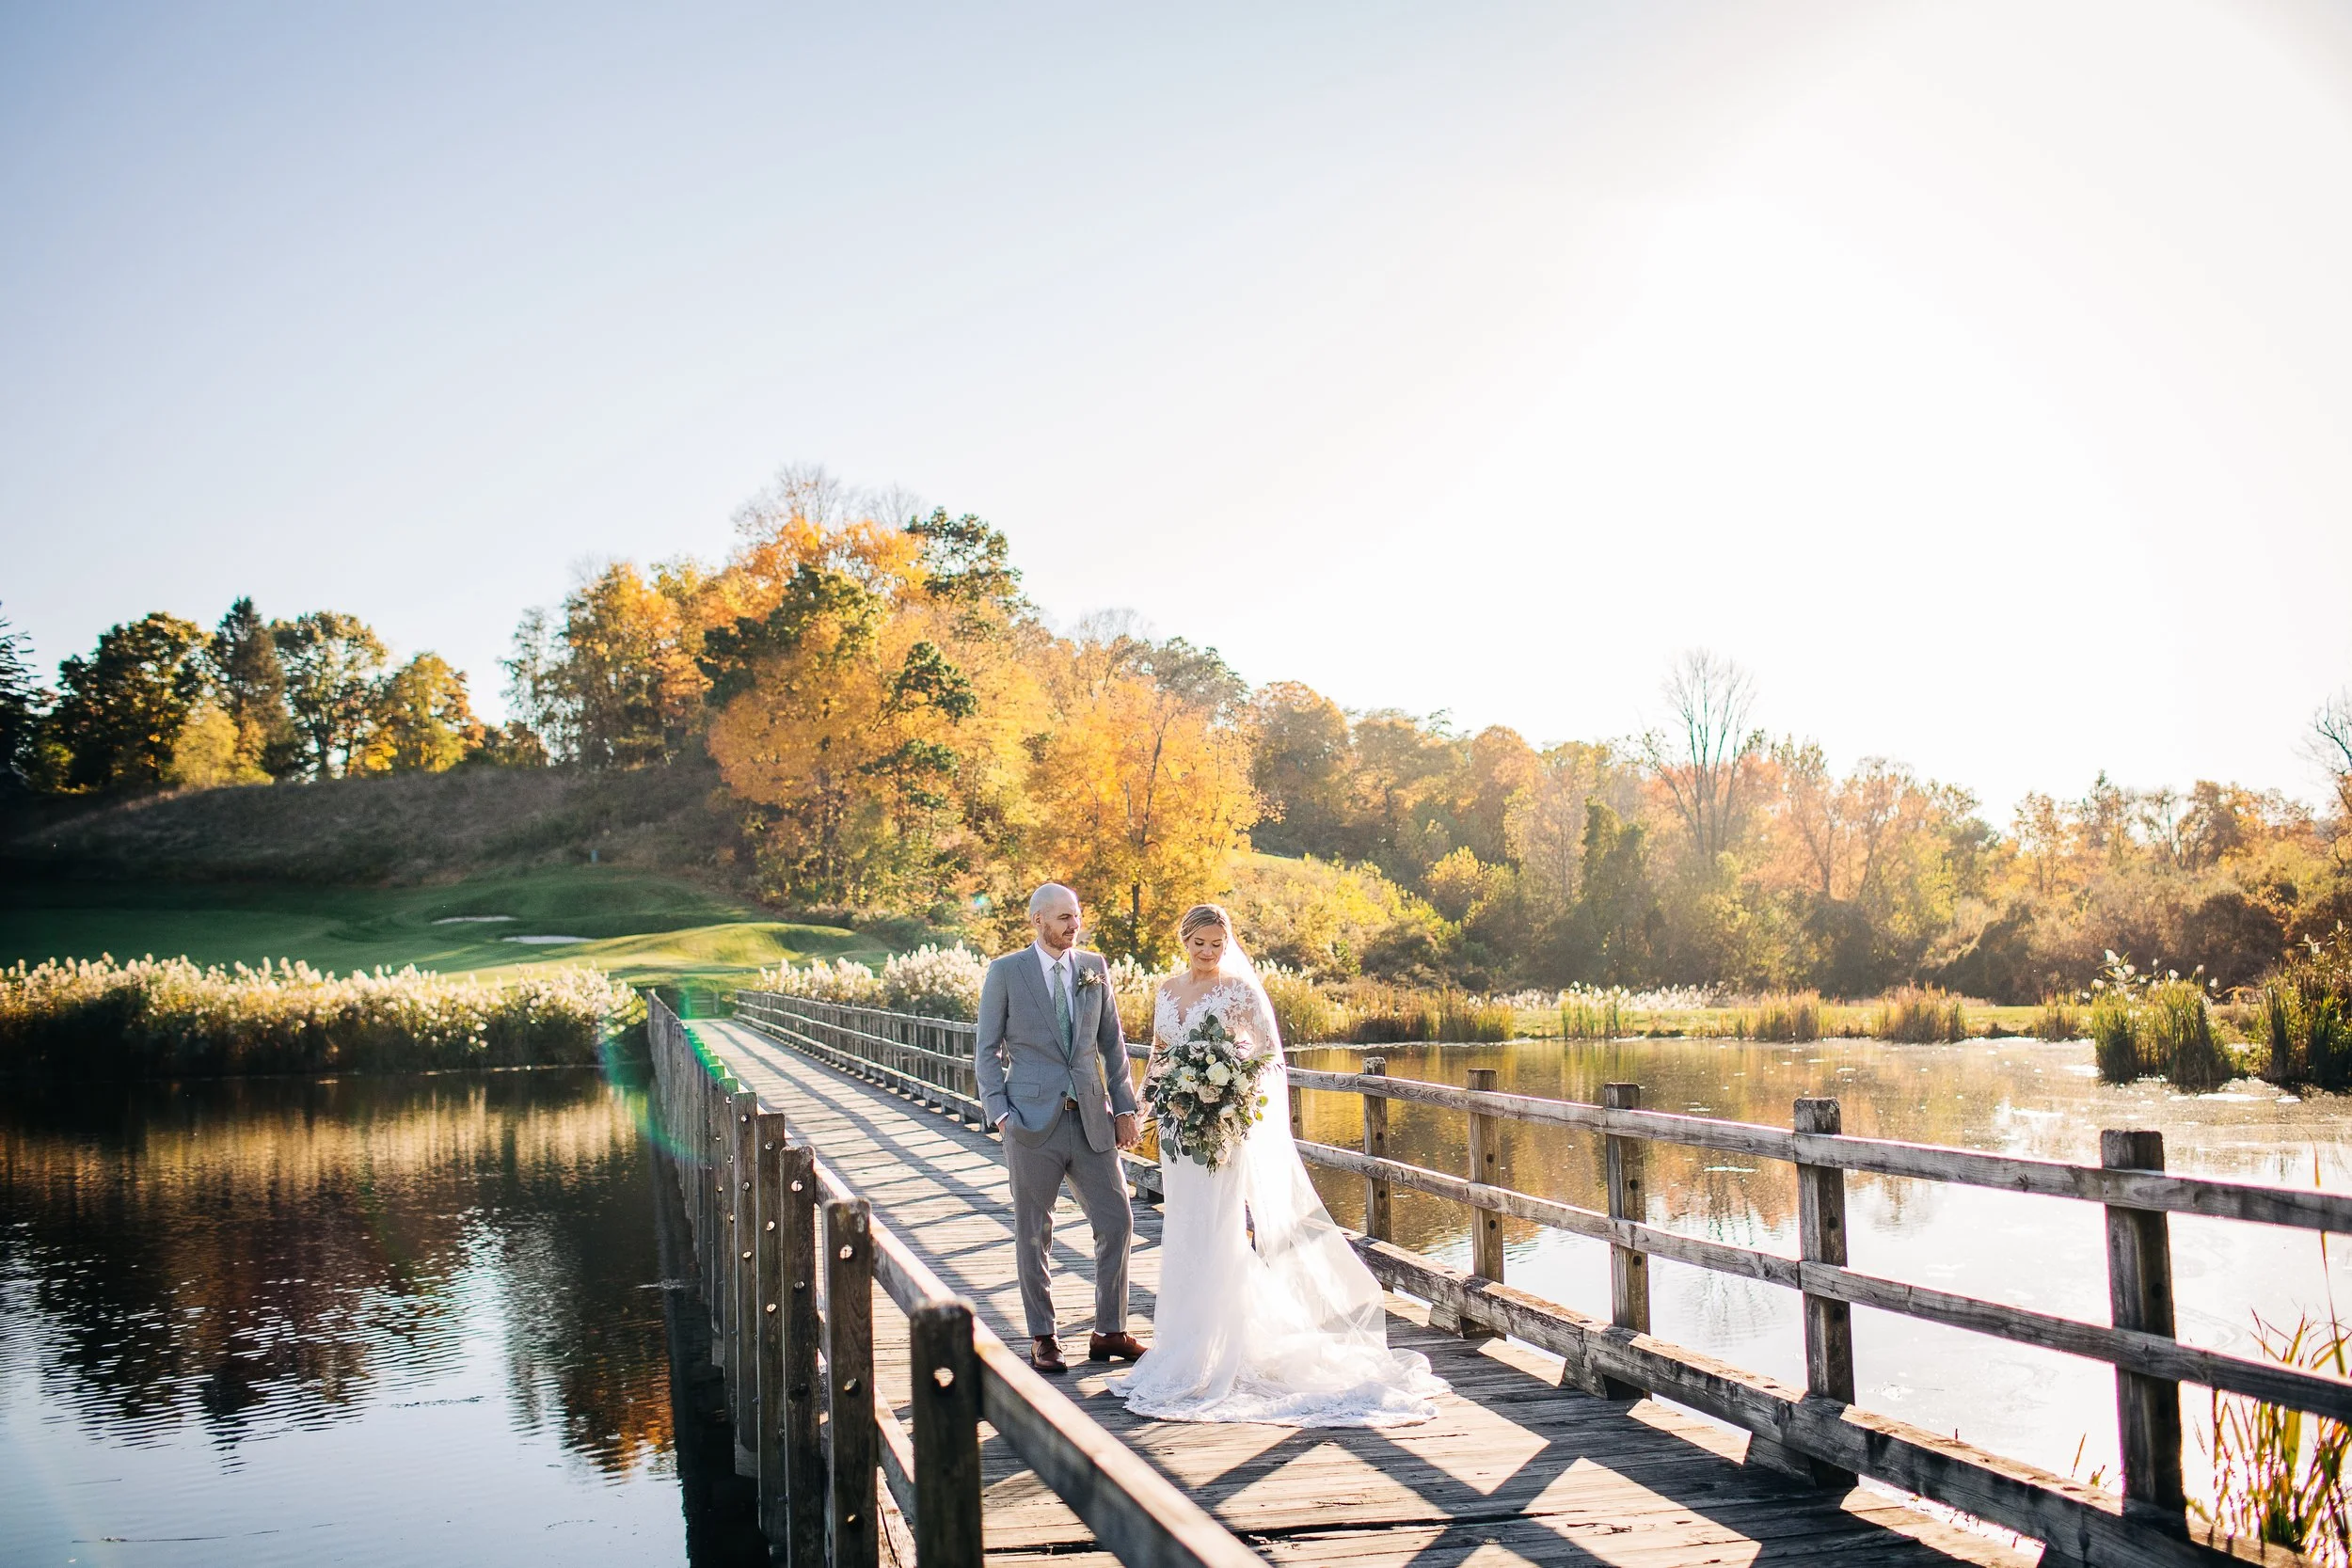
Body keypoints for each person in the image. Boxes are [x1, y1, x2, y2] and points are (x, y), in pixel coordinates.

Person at [1109, 902, 1445, 1426]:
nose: (1207, 953)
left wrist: (1228, 1085)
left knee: (1218, 1231)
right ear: (1184, 941)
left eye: (1217, 945)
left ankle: (1223, 1347)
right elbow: (1159, 1055)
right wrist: (1139, 1112)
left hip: (1221, 1130)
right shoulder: (1167, 990)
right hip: (1177, 1130)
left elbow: (1266, 1053)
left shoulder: (1239, 991)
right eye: (1199, 944)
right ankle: (1182, 1346)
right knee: (1184, 1231)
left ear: (1227, 945)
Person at [973, 882, 1147, 1374]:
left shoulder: (1094, 967)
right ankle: (1043, 1336)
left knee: (1117, 1221)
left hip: (1091, 1118)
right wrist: (1000, 1114)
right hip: (1030, 1122)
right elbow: (986, 1049)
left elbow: (1112, 1045)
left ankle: (1109, 1331)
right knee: (1034, 1232)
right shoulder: (1006, 972)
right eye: (1065, 917)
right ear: (1038, 921)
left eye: (1077, 915)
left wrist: (1125, 1108)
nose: (1075, 924)